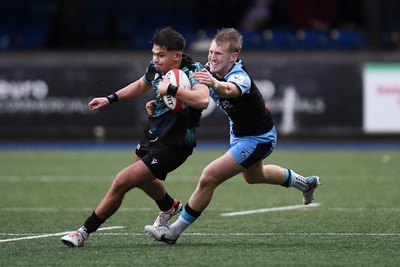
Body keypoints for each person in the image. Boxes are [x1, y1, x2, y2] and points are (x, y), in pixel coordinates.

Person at [144, 28, 320, 244]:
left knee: (209, 176)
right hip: (239, 133)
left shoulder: (240, 76)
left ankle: (174, 232)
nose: (211, 57)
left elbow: (228, 90)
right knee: (255, 176)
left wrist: (213, 84)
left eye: (218, 54)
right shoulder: (208, 69)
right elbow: (193, 96)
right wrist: (162, 104)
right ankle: (306, 183)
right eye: (210, 52)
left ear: (233, 57)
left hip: (259, 138)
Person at [60, 26, 209, 247]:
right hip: (153, 134)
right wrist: (110, 98)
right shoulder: (155, 68)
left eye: (161, 55)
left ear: (176, 56)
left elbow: (203, 100)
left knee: (122, 181)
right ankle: (169, 206)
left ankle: (83, 232)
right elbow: (141, 85)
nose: (155, 59)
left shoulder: (193, 70)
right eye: (154, 54)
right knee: (144, 181)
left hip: (174, 144)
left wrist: (172, 90)